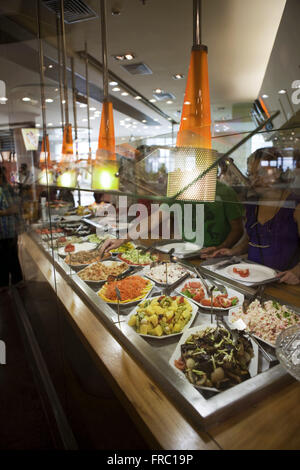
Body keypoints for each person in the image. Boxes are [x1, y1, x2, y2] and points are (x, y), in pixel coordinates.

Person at [207, 147, 300, 285]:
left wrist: (296, 272)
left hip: (283, 283)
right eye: (251, 174)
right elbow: (252, 237)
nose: (255, 179)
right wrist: (233, 251)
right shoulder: (253, 204)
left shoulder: (294, 207)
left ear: (279, 170)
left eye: (261, 173)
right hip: (252, 279)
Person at [0, 166, 24, 291]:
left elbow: (16, 205)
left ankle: (17, 280)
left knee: (12, 255)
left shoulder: (7, 188)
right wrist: (6, 211)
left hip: (10, 228)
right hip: (3, 229)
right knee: (2, 257)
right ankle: (3, 283)